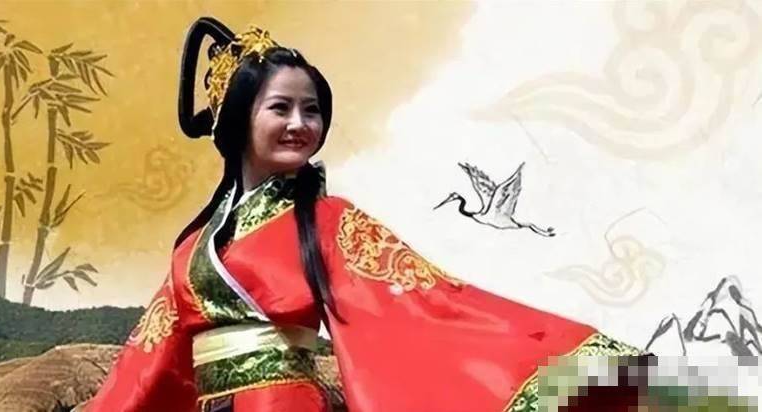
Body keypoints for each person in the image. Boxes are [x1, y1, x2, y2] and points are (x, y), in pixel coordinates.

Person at [86, 17, 644, 412]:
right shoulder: (194, 250)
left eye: (312, 110)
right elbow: (146, 364)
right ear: (236, 120)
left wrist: (577, 369)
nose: (300, 124)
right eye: (280, 108)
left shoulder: (330, 222)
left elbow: (434, 305)